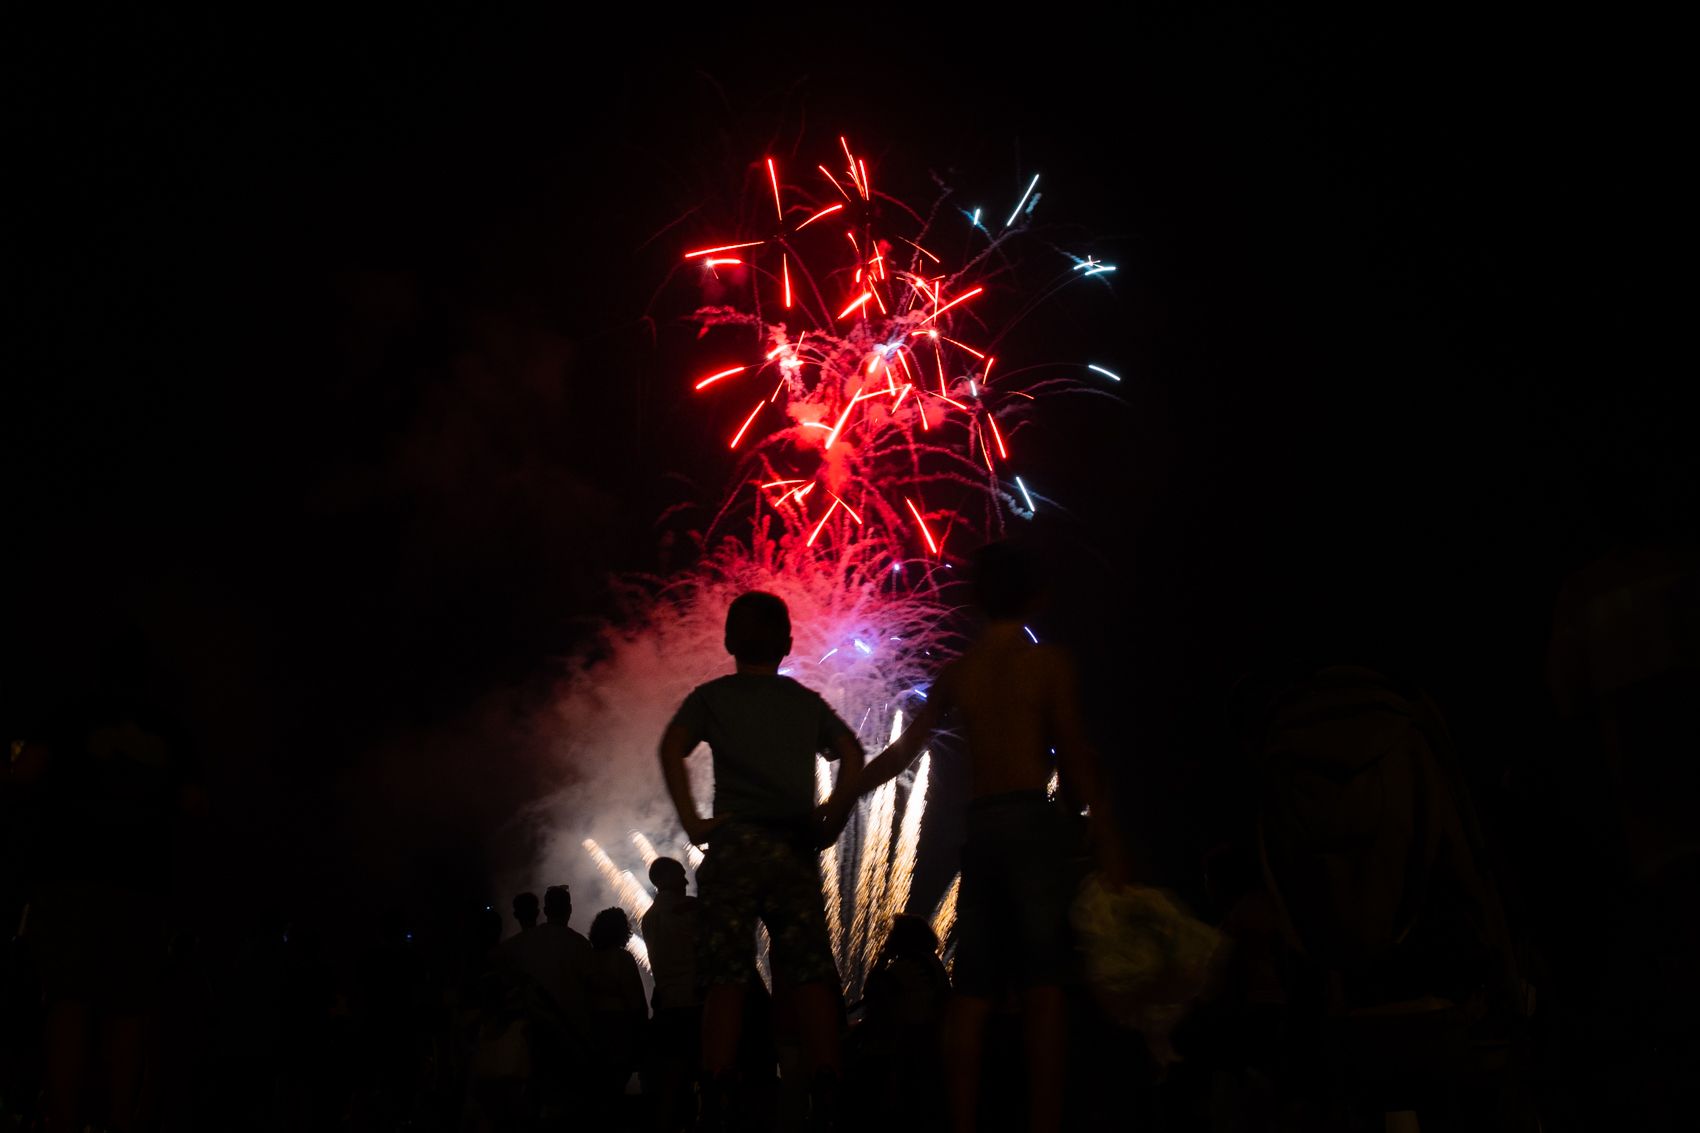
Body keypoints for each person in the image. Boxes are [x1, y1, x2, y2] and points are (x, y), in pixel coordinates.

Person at [857, 539, 1127, 1133]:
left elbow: (901, 753)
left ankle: (961, 1120)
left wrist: (844, 793)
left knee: (973, 990)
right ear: (1038, 594)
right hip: (1033, 822)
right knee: (1043, 984)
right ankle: (1045, 1120)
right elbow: (1077, 754)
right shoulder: (1050, 664)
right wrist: (1105, 837)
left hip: (983, 827)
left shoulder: (960, 673)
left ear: (976, 600)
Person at [658, 590, 866, 1131]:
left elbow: (670, 749)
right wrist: (834, 817)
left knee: (726, 976)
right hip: (792, 850)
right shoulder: (803, 702)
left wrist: (694, 822)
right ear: (789, 645)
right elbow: (852, 752)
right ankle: (828, 1081)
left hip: (733, 847)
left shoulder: (711, 698)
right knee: (811, 974)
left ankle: (719, 1088)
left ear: (729, 642)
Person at [641, 857, 701, 1132]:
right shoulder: (690, 910)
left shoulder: (649, 918)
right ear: (664, 879)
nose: (686, 881)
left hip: (668, 1005)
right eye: (680, 875)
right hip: (696, 1004)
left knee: (673, 1082)